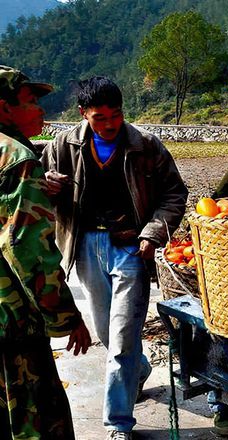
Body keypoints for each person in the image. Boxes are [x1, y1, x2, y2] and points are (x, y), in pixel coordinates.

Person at [41, 76, 188, 440]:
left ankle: (118, 423)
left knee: (122, 338)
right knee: (109, 336)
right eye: (99, 118)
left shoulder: (146, 146)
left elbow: (174, 193)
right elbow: (38, 192)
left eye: (116, 116)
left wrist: (152, 234)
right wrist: (49, 185)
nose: (109, 125)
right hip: (86, 249)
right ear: (83, 114)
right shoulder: (63, 145)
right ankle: (137, 371)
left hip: (130, 249)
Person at [0, 65, 92, 439]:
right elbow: (25, 247)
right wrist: (66, 318)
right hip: (11, 322)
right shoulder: (16, 158)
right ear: (4, 109)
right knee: (34, 422)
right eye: (31, 101)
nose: (40, 109)